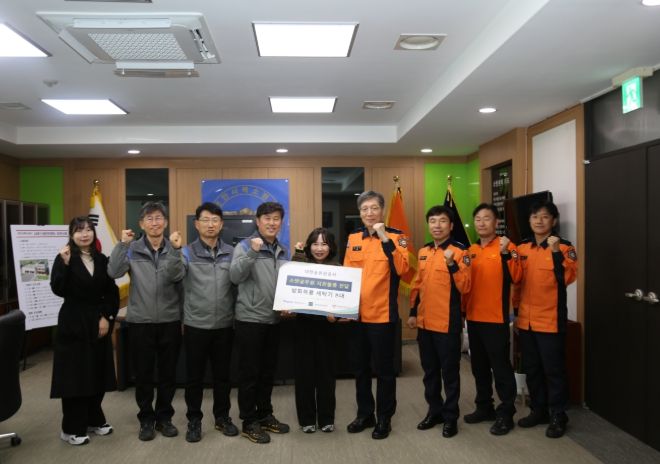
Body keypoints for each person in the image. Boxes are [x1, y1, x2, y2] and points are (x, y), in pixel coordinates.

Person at [107, 201, 183, 441]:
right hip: (140, 321)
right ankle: (146, 419)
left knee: (168, 374)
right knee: (144, 374)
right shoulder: (132, 249)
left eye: (159, 218)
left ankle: (164, 418)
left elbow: (178, 275)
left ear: (166, 222)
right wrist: (122, 244)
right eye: (149, 219)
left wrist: (176, 251)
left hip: (169, 319)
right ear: (141, 224)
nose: (154, 223)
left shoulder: (174, 248)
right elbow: (113, 272)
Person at [166, 202, 238, 443]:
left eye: (215, 220)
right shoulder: (186, 252)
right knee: (194, 378)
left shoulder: (231, 252)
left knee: (223, 378)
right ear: (196, 224)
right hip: (196, 324)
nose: (210, 224)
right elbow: (174, 275)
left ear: (221, 224)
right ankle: (194, 421)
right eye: (205, 220)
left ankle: (222, 418)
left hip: (224, 325)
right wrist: (174, 250)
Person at [343, 191, 410, 440]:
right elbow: (347, 276)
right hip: (357, 316)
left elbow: (402, 269)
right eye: (365, 209)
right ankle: (365, 414)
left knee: (384, 371)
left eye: (374, 208)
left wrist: (384, 238)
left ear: (382, 211)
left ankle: (384, 417)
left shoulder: (397, 237)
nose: (369, 213)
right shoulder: (353, 238)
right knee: (360, 369)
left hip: (382, 316)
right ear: (360, 213)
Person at [50, 216, 119, 446]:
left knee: (96, 373)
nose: (84, 234)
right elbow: (58, 289)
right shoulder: (64, 257)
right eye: (79, 230)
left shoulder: (101, 259)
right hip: (73, 324)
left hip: (98, 323)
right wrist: (65, 265)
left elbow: (111, 292)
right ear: (71, 234)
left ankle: (94, 419)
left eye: (88, 229)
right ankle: (71, 428)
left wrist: (106, 317)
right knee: (75, 378)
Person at [513, 200, 577, 438]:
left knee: (554, 370)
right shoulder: (522, 248)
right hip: (526, 320)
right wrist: (516, 312)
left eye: (545, 216)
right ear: (529, 221)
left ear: (554, 221)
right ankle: (538, 410)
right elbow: (517, 283)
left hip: (550, 320)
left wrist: (556, 252)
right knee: (532, 368)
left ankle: (558, 415)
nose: (539, 221)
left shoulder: (565, 247)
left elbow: (567, 278)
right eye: (535, 217)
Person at [408, 205, 471, 438]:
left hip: (447, 324)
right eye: (433, 221)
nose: (437, 225)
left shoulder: (461, 251)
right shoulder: (424, 251)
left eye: (442, 221)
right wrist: (413, 312)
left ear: (451, 225)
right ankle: (434, 411)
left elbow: (466, 286)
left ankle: (450, 417)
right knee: (429, 372)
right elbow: (417, 285)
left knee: (450, 374)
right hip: (425, 323)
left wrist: (452, 264)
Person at [230, 202, 290, 444]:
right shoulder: (245, 246)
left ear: (281, 222)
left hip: (274, 319)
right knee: (249, 374)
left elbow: (286, 284)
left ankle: (265, 414)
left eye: (276, 218)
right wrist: (252, 253)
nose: (272, 223)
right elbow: (235, 276)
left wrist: (289, 303)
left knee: (267, 372)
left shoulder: (283, 250)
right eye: (267, 218)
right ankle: (248, 421)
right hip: (250, 319)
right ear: (258, 221)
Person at [462, 203, 521, 435]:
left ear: (496, 223)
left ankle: (506, 413)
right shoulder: (471, 250)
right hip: (474, 317)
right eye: (478, 219)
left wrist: (506, 254)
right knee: (479, 367)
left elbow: (518, 276)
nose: (482, 223)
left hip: (496, 318)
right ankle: (484, 407)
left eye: (487, 218)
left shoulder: (507, 246)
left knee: (501, 367)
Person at [291, 228, 340, 433]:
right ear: (309, 246)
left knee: (326, 375)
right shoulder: (301, 265)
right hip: (304, 326)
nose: (319, 248)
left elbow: (343, 301)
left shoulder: (338, 269)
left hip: (327, 328)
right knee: (304, 375)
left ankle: (327, 418)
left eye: (324, 244)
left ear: (331, 247)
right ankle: (307, 419)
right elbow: (290, 291)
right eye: (315, 244)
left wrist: (336, 315)